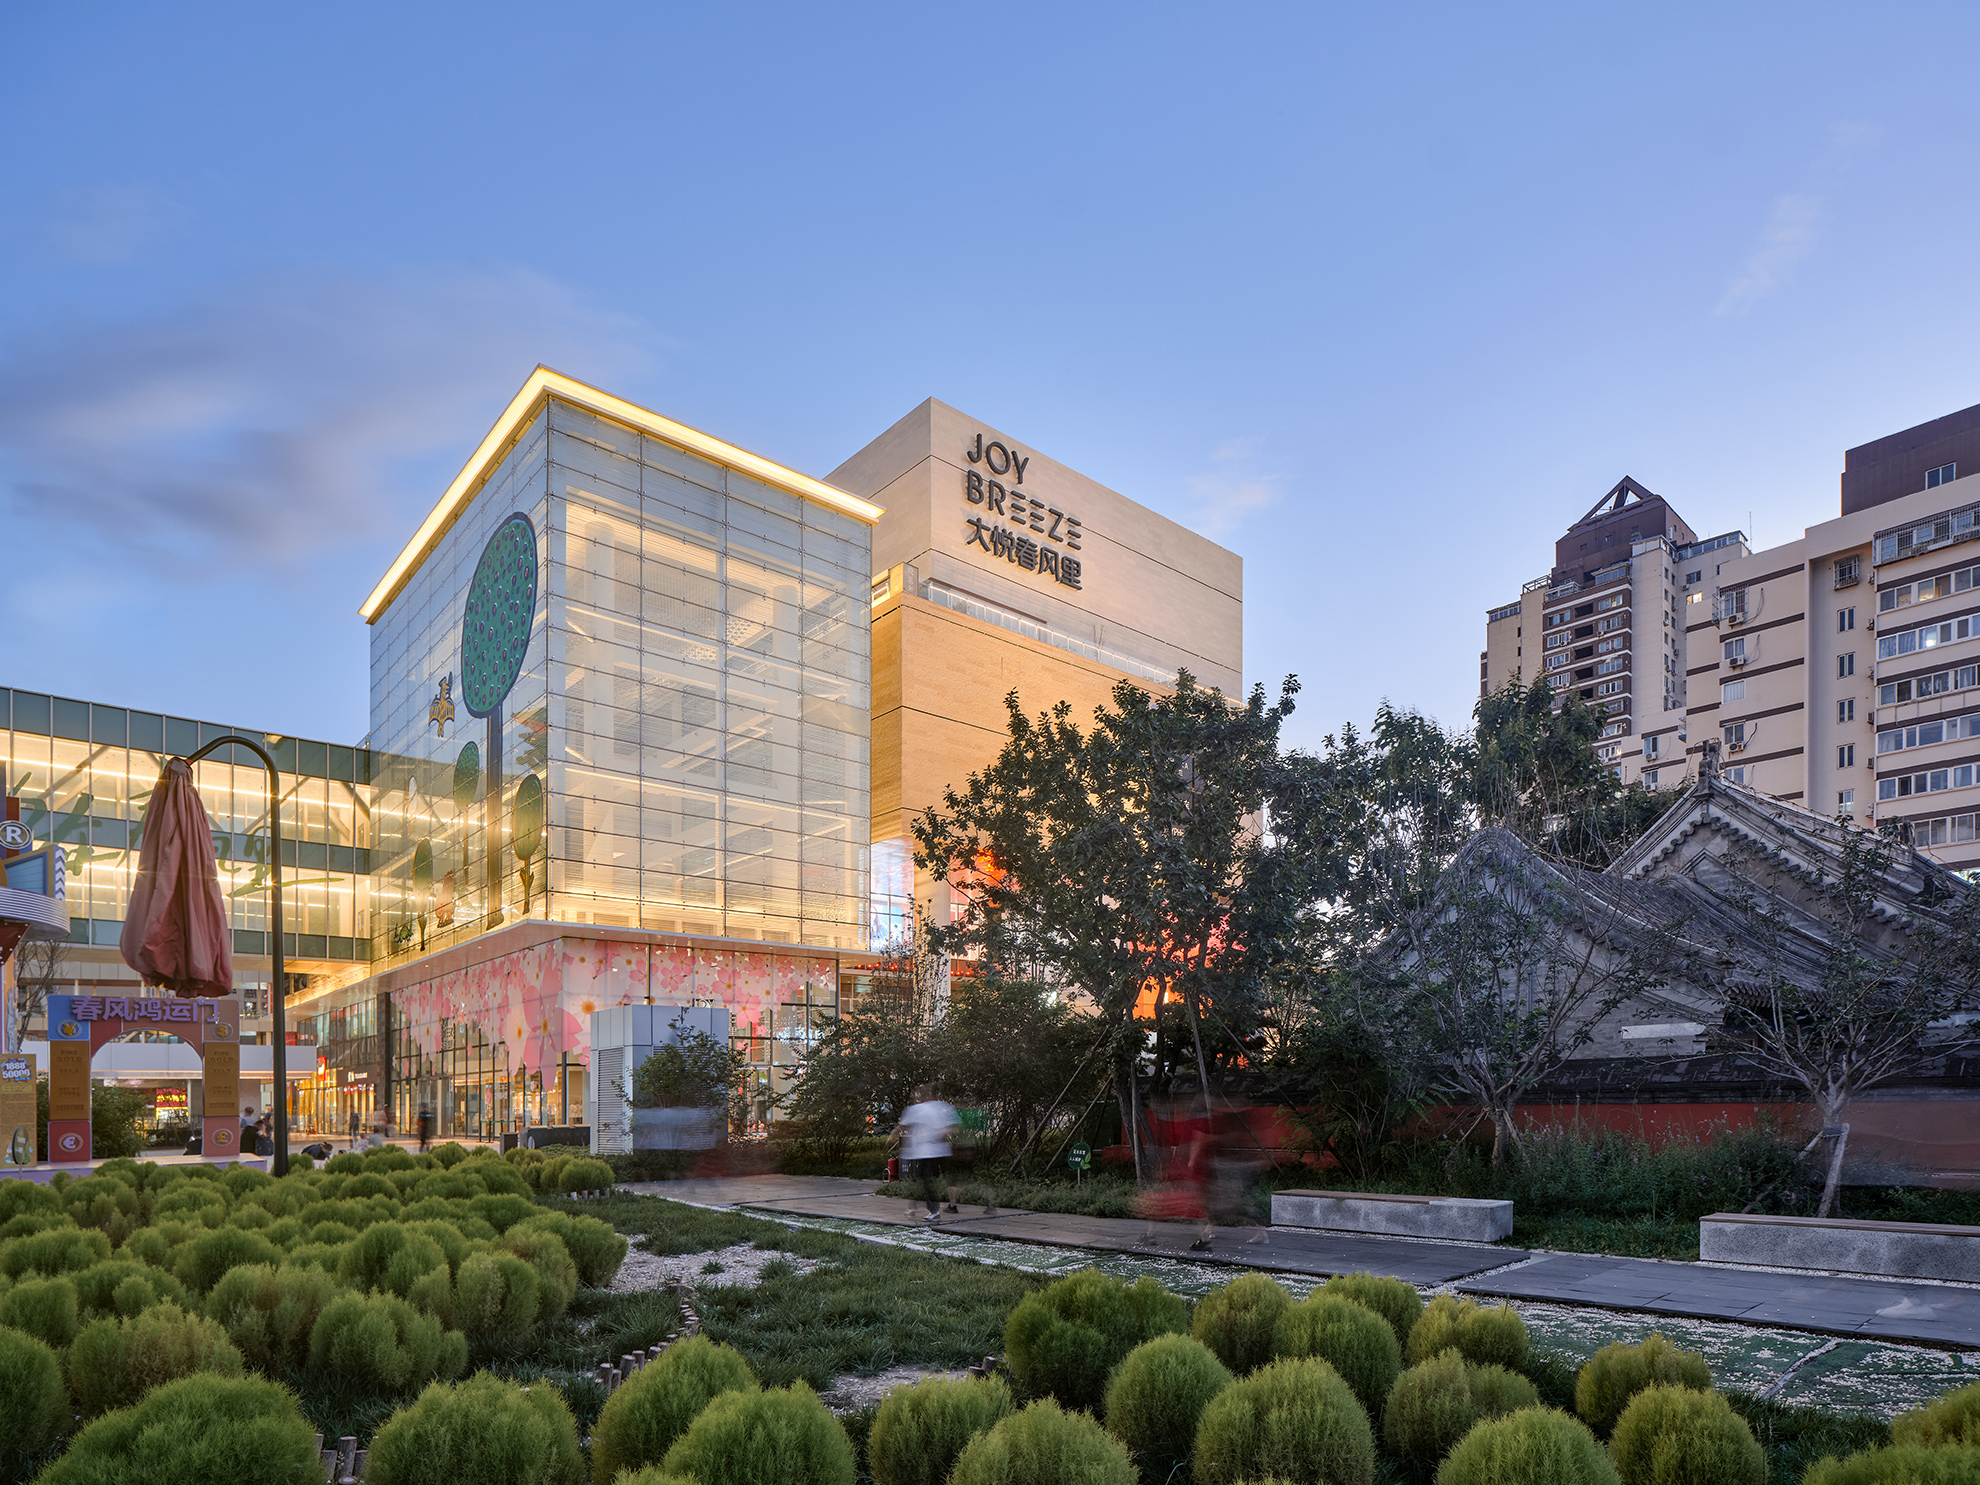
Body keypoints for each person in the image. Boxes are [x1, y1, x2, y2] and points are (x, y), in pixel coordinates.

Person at [893, 1084, 958, 1223]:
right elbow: (950, 1129)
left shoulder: (917, 1109)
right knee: (927, 1180)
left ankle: (932, 1210)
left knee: (925, 1181)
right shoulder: (943, 1107)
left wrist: (894, 1134)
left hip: (924, 1152)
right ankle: (916, 1206)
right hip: (940, 1151)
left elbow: (903, 1126)